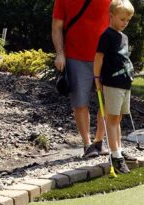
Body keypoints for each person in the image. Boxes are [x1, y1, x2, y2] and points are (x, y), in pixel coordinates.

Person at [52, 0, 111, 158]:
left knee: (107, 102)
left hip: (105, 57)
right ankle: (87, 144)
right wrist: (59, 53)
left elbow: (119, 19)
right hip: (75, 57)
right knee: (79, 103)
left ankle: (99, 141)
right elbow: (57, 27)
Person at [93, 0, 135, 174]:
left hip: (125, 83)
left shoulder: (123, 37)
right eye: (122, 19)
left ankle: (118, 148)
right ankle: (115, 156)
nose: (125, 23)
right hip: (112, 83)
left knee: (117, 119)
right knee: (111, 118)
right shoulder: (107, 35)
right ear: (111, 16)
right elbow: (98, 58)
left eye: (128, 20)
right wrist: (97, 78)